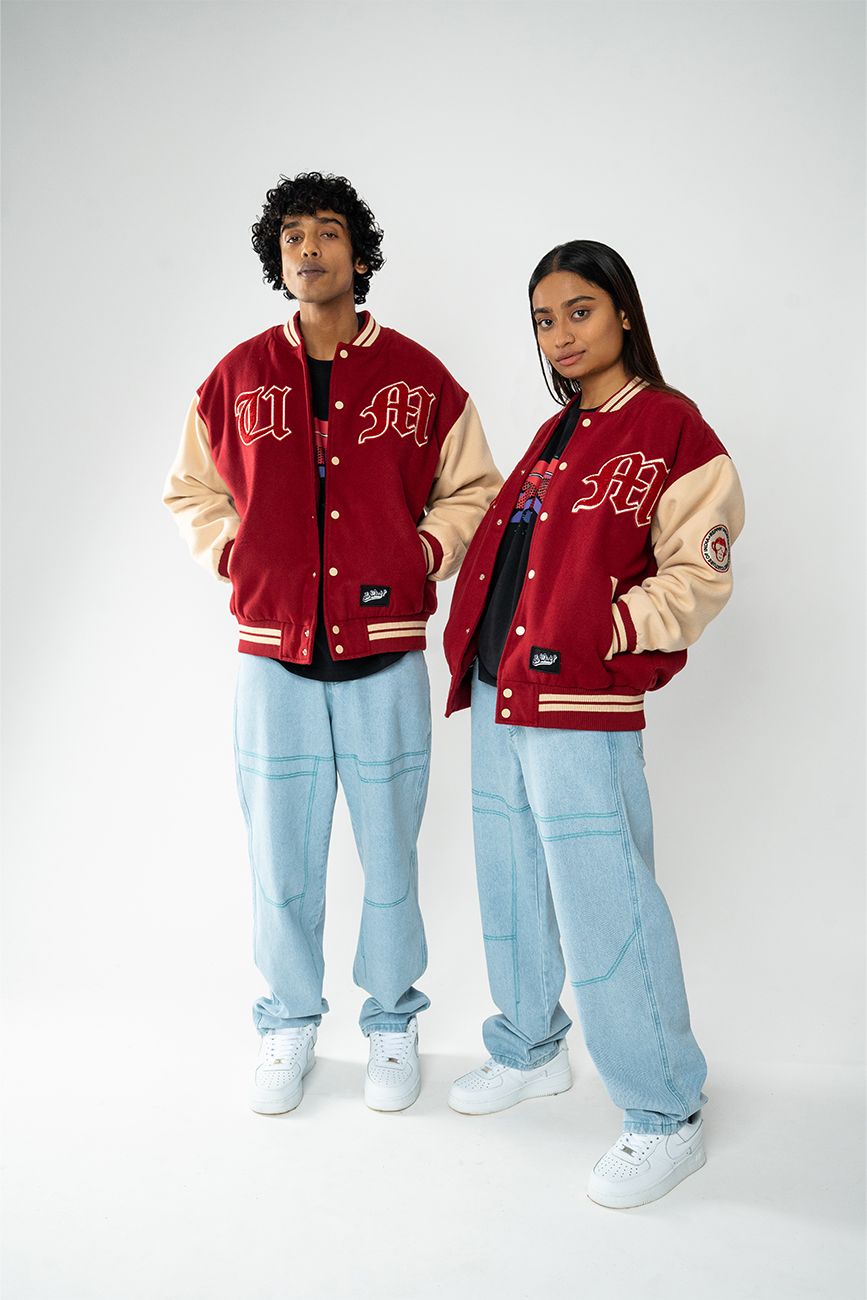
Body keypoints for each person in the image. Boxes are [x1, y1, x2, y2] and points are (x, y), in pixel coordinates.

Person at [163, 172, 501, 1116]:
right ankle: (288, 1022)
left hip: (383, 649)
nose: (308, 249)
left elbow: (475, 488)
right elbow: (191, 490)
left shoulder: (420, 377)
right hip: (272, 655)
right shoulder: (236, 377)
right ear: (277, 259)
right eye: (291, 237)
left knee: (389, 854)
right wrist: (238, 556)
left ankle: (392, 1021)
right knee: (279, 855)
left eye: (326, 232)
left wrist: (420, 552)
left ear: (359, 253)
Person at [442, 240, 745, 1208]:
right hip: (501, 689)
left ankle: (664, 1113)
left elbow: (698, 574)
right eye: (544, 319)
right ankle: (529, 1048)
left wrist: (609, 628)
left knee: (606, 899)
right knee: (512, 880)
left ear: (622, 312)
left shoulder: (670, 427)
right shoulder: (552, 432)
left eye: (579, 310)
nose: (561, 334)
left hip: (581, 698)